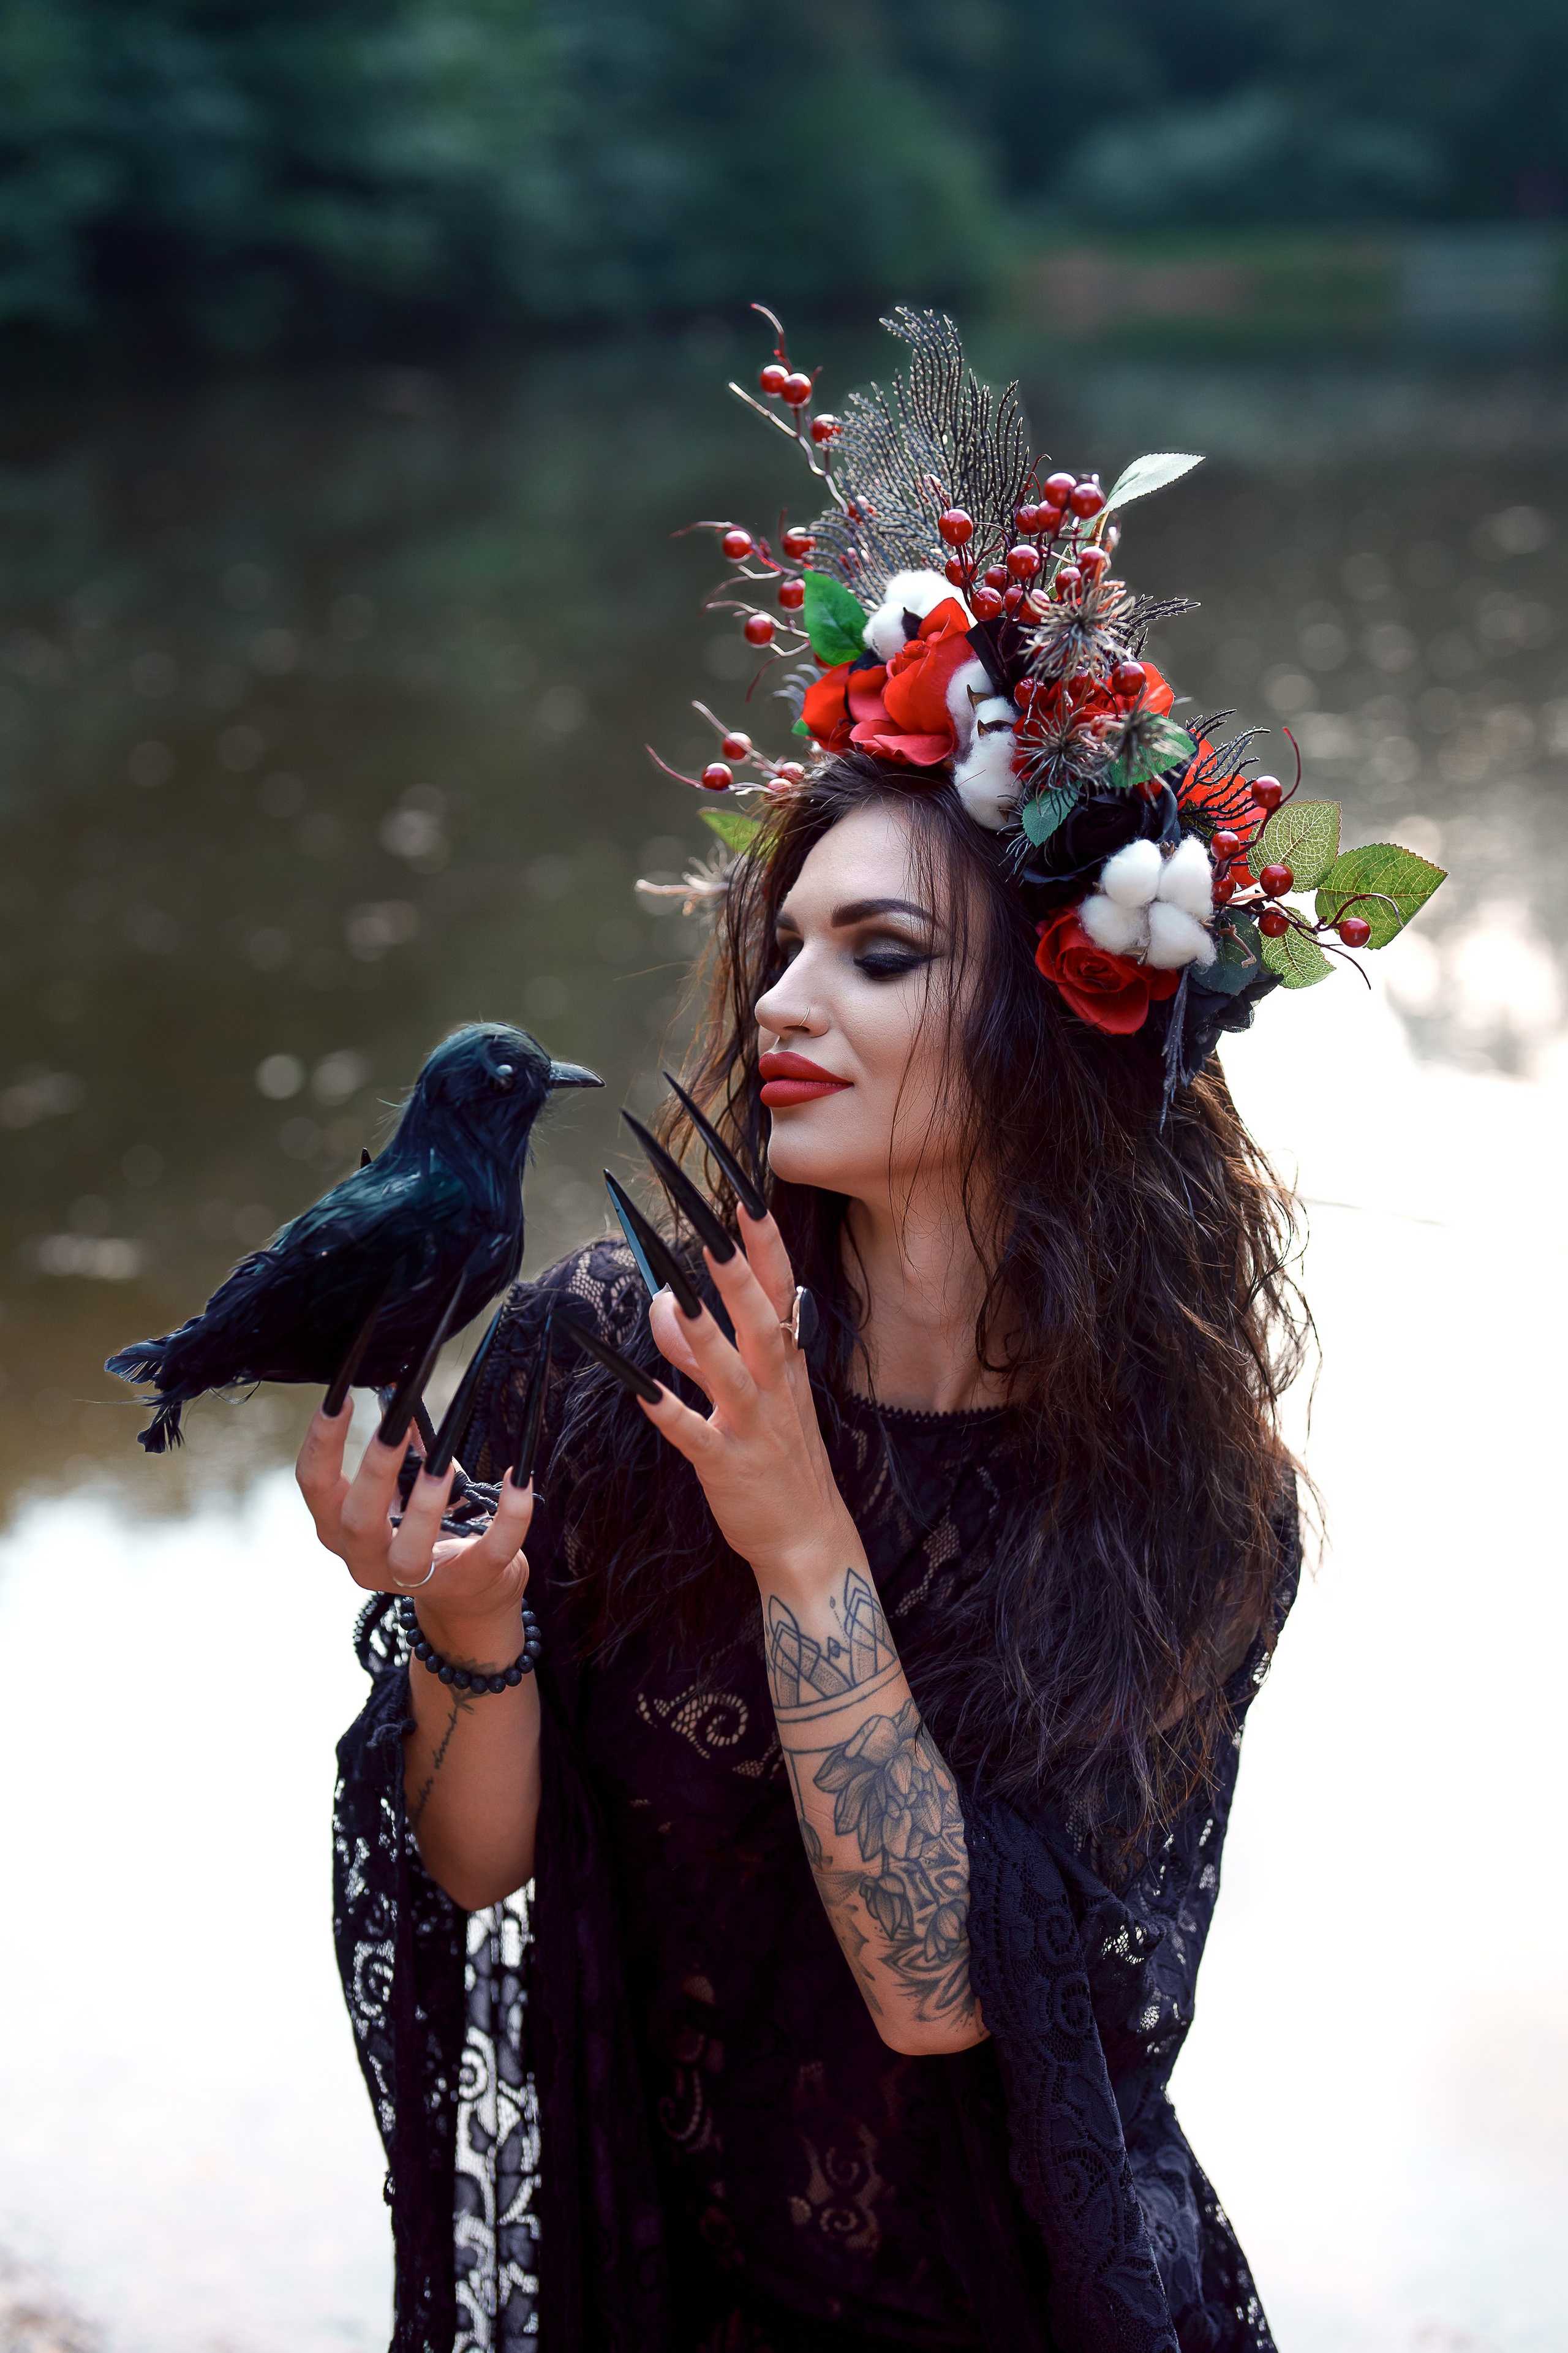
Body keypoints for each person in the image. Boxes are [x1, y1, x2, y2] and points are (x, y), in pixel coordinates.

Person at [307, 312, 1442, 2353]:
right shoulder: (599, 1355)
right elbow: (478, 1871)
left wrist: (799, 1525)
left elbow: (947, 1991)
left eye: (883, 954)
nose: (779, 1011)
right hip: (660, 2296)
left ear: (1061, 1018)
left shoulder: (1188, 1499)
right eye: (789, 945)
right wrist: (464, 1621)